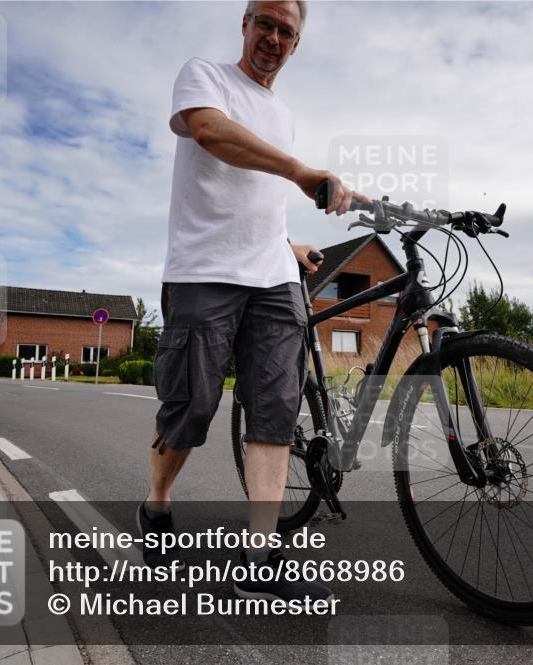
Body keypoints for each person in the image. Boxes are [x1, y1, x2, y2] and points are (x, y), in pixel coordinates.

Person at [138, 0, 370, 605]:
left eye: (285, 31)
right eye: (264, 23)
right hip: (203, 272)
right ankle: (157, 504)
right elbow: (212, 135)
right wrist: (299, 170)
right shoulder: (205, 77)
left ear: (297, 44)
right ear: (244, 25)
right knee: (193, 407)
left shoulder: (283, 114)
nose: (273, 37)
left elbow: (258, 194)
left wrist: (284, 240)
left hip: (272, 276)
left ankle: (259, 551)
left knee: (273, 409)